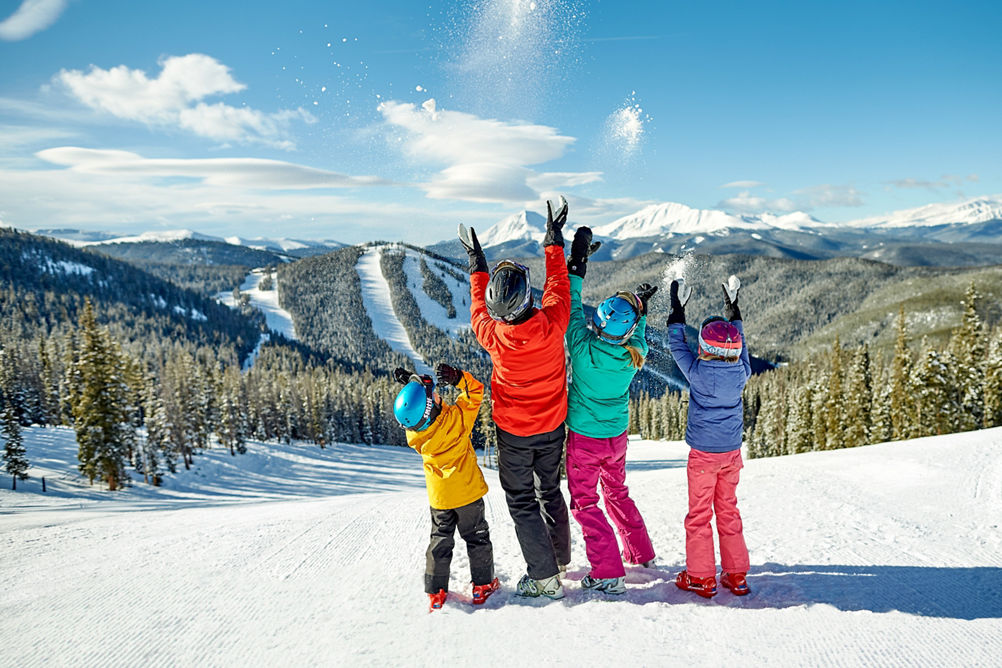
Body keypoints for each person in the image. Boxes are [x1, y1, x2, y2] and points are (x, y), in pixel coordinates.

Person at [456, 197, 572, 600]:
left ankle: (544, 577)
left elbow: (476, 309)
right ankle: (558, 559)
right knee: (550, 490)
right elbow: (559, 282)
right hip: (553, 426)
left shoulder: (492, 336)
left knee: (522, 501)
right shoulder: (553, 322)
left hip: (514, 434)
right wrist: (552, 240)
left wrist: (476, 262)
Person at [563, 226, 658, 595]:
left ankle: (606, 572)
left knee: (586, 503)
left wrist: (577, 265)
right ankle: (641, 554)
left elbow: (571, 306)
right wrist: (642, 309)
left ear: (599, 320)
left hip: (584, 440)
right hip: (616, 439)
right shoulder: (635, 355)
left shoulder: (582, 346)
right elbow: (638, 335)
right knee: (617, 493)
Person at [665, 276, 753, 598]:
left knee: (699, 515)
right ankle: (736, 575)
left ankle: (701, 577)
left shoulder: (699, 373)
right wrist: (734, 309)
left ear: (702, 347)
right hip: (731, 454)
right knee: (728, 510)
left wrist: (678, 309)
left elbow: (676, 345)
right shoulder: (742, 372)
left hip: (703, 456)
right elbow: (741, 342)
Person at [392, 363, 499, 611]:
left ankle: (436, 591)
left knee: (440, 541)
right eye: (436, 396)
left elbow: (416, 410)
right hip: (468, 493)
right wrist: (460, 378)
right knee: (476, 538)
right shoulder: (457, 420)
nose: (439, 395)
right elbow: (475, 391)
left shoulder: (415, 434)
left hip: (440, 498)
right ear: (432, 406)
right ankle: (483, 585)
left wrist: (412, 384)